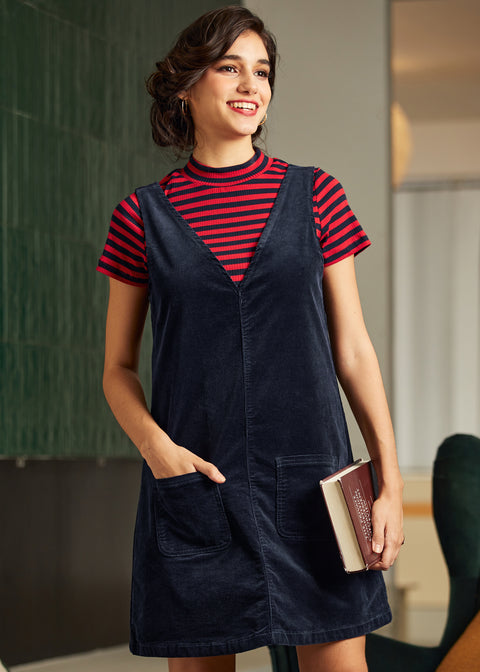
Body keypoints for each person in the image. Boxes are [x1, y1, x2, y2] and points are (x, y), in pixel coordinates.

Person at [97, 6, 404, 672]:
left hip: (318, 491)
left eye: (261, 72)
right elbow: (116, 368)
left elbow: (354, 350)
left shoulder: (317, 196)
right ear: (186, 85)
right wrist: (158, 451)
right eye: (229, 67)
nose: (250, 85)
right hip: (197, 486)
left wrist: (388, 483)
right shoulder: (140, 217)